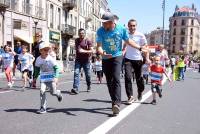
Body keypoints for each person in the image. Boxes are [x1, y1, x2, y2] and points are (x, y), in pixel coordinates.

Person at [96, 12, 147, 116]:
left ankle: (116, 104)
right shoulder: (100, 31)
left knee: (116, 78)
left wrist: (140, 48)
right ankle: (113, 100)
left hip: (117, 56)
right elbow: (99, 47)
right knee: (109, 81)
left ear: (111, 22)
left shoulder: (121, 29)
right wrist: (102, 52)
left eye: (105, 23)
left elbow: (128, 41)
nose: (103, 25)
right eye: (103, 23)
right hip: (106, 57)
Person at [123, 19, 149, 105]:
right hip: (128, 59)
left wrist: (147, 58)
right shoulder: (126, 34)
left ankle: (140, 91)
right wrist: (122, 51)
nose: (132, 27)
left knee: (139, 79)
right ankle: (130, 96)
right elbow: (125, 45)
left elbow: (145, 47)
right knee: (127, 77)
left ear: (136, 26)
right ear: (128, 26)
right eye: (130, 25)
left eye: (134, 25)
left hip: (138, 60)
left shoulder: (140, 35)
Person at [34, 43, 63, 114]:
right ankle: (43, 108)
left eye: (48, 49)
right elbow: (37, 70)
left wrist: (56, 77)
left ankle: (58, 93)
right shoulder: (38, 59)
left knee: (53, 92)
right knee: (42, 91)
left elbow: (56, 68)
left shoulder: (50, 58)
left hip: (51, 77)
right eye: (45, 49)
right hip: (43, 78)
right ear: (40, 51)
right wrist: (35, 78)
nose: (47, 51)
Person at [71, 28, 93, 94]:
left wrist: (84, 51)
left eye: (82, 33)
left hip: (86, 61)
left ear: (84, 34)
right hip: (78, 60)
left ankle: (88, 85)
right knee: (76, 73)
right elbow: (76, 49)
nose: (81, 35)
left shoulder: (88, 41)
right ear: (78, 34)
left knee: (88, 75)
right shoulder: (76, 40)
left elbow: (92, 51)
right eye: (80, 33)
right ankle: (75, 88)